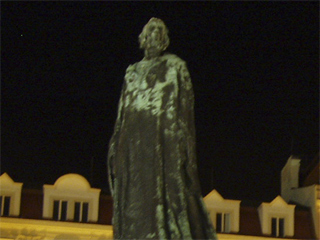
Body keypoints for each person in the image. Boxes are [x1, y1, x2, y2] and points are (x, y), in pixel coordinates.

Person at [108, 17, 217, 240]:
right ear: (143, 39)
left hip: (163, 143)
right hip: (133, 145)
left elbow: (186, 109)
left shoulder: (176, 67)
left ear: (164, 40)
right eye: (150, 34)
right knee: (133, 199)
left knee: (168, 198)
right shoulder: (131, 72)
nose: (154, 38)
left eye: (159, 34)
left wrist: (185, 144)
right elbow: (122, 111)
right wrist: (116, 143)